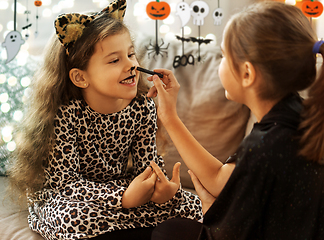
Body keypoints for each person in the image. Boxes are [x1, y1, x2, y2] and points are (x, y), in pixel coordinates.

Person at [147, 1, 324, 239]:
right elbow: (221, 180)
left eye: (224, 56)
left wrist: (211, 211)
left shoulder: (266, 148)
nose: (220, 64)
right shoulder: (298, 120)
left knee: (168, 232)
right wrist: (169, 116)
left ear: (247, 73)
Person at [7, 1, 202, 239]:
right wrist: (123, 199)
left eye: (131, 54)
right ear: (80, 77)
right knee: (72, 219)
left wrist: (159, 189)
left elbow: (146, 167)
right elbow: (67, 186)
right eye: (114, 60)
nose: (131, 64)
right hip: (72, 196)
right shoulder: (65, 115)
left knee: (191, 205)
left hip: (120, 187)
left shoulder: (142, 106)